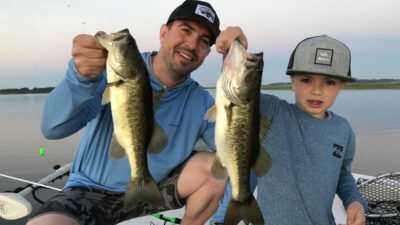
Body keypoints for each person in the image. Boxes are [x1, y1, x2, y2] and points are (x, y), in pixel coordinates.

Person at [27, 1, 248, 225]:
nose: (191, 44)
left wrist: (235, 61)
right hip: (90, 191)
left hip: (154, 188)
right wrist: (81, 77)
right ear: (164, 33)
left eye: (203, 41)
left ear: (208, 52)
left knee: (214, 166)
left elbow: (234, 154)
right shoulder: (111, 72)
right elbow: (53, 128)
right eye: (185, 30)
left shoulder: (202, 102)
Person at [210, 35, 367, 225]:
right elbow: (238, 91)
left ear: (342, 85)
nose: (317, 90)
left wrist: (355, 201)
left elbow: (342, 174)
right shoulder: (273, 111)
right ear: (292, 80)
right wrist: (233, 46)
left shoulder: (343, 129)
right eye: (307, 80)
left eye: (329, 82)